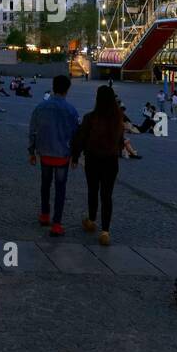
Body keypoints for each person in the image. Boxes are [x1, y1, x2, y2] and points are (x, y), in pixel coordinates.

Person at [70, 85, 125, 246]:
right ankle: (105, 232)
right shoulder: (118, 120)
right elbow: (121, 143)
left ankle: (92, 220)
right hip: (111, 161)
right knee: (107, 195)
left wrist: (75, 156)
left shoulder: (90, 117)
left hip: (93, 159)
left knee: (93, 190)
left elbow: (80, 138)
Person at [28, 75, 80, 236]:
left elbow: (33, 131)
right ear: (67, 89)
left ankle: (44, 215)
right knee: (60, 189)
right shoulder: (71, 110)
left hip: (45, 153)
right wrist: (75, 156)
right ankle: (57, 224)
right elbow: (75, 135)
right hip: (62, 156)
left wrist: (32, 151)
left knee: (45, 185)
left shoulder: (41, 107)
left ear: (53, 86)